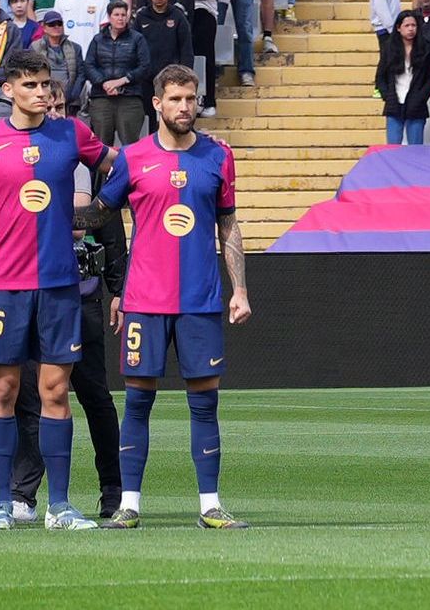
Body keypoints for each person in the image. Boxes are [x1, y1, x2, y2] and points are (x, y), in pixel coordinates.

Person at [0, 52, 104, 529]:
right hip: (3, 287)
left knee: (55, 391)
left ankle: (59, 506)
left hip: (59, 285)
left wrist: (93, 211)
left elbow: (121, 167)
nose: (41, 93)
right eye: (31, 86)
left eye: (45, 86)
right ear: (8, 90)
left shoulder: (71, 134)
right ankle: (0, 505)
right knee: (4, 389)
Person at [112, 62, 250, 528]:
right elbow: (102, 213)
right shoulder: (131, 158)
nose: (185, 107)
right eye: (175, 99)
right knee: (137, 402)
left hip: (200, 301)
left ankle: (210, 504)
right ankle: (129, 505)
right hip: (145, 301)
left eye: (191, 98)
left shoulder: (218, 156)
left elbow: (228, 223)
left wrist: (240, 290)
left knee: (205, 403)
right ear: (157, 104)